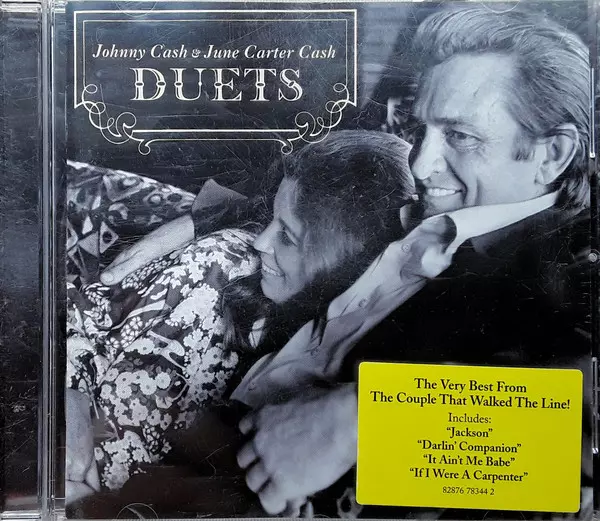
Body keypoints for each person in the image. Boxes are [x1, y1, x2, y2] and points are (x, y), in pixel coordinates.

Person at [94, 6, 593, 518]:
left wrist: (366, 421)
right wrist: (204, 215)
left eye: (460, 136)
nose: (421, 164)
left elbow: (584, 425)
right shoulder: (441, 208)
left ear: (552, 154)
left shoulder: (575, 262)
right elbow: (329, 195)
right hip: (197, 454)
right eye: (420, 129)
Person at [65, 130, 423, 502]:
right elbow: (79, 318)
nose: (261, 242)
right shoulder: (222, 267)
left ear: (344, 259)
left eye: (287, 236)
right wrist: (68, 396)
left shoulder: (344, 358)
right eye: (272, 219)